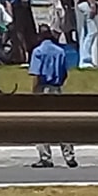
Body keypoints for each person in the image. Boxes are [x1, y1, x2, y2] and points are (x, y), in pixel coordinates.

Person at [29, 24, 77, 168]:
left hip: (43, 89)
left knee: (41, 125)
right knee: (61, 123)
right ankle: (69, 155)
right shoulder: (60, 51)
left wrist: (33, 93)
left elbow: (36, 75)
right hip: (57, 89)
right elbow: (65, 73)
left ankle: (46, 157)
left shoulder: (38, 51)